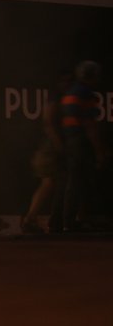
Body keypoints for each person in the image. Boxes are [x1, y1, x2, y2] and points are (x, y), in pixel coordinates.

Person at [20, 68, 71, 233]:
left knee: (54, 183)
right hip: (50, 149)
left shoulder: (59, 98)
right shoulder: (55, 98)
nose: (68, 84)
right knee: (49, 183)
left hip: (53, 148)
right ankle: (30, 219)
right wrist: (59, 146)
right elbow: (49, 123)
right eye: (65, 81)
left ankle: (37, 219)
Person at [58, 60, 107, 232]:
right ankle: (72, 221)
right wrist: (99, 151)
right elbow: (90, 125)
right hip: (81, 142)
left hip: (70, 140)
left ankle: (68, 220)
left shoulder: (70, 93)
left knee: (73, 180)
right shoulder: (86, 94)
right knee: (80, 180)